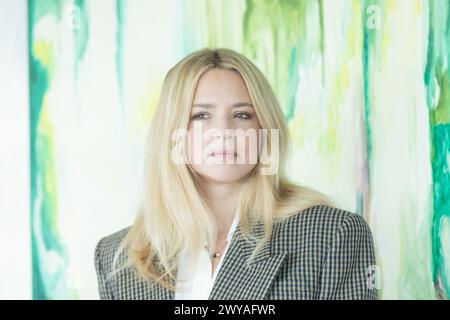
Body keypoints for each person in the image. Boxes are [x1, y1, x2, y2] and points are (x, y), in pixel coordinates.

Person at [94, 47, 378, 300]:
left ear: (265, 131)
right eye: (201, 115)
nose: (224, 132)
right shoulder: (118, 257)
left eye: (242, 115)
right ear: (172, 133)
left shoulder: (332, 235)